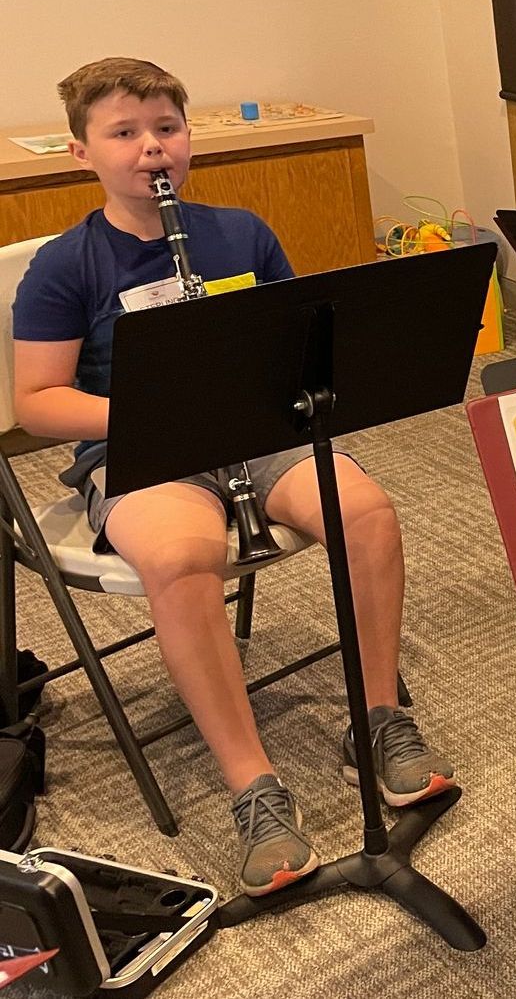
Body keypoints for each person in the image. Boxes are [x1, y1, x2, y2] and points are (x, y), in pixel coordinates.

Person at [11, 58, 456, 895]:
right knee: (181, 557)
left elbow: (297, 341)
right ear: (82, 152)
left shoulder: (241, 232)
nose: (152, 149)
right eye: (125, 134)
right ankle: (255, 787)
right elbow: (36, 403)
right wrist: (154, 408)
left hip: (255, 436)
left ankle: (380, 719)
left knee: (366, 511)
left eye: (166, 129)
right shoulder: (67, 264)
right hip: (140, 452)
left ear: (189, 140)